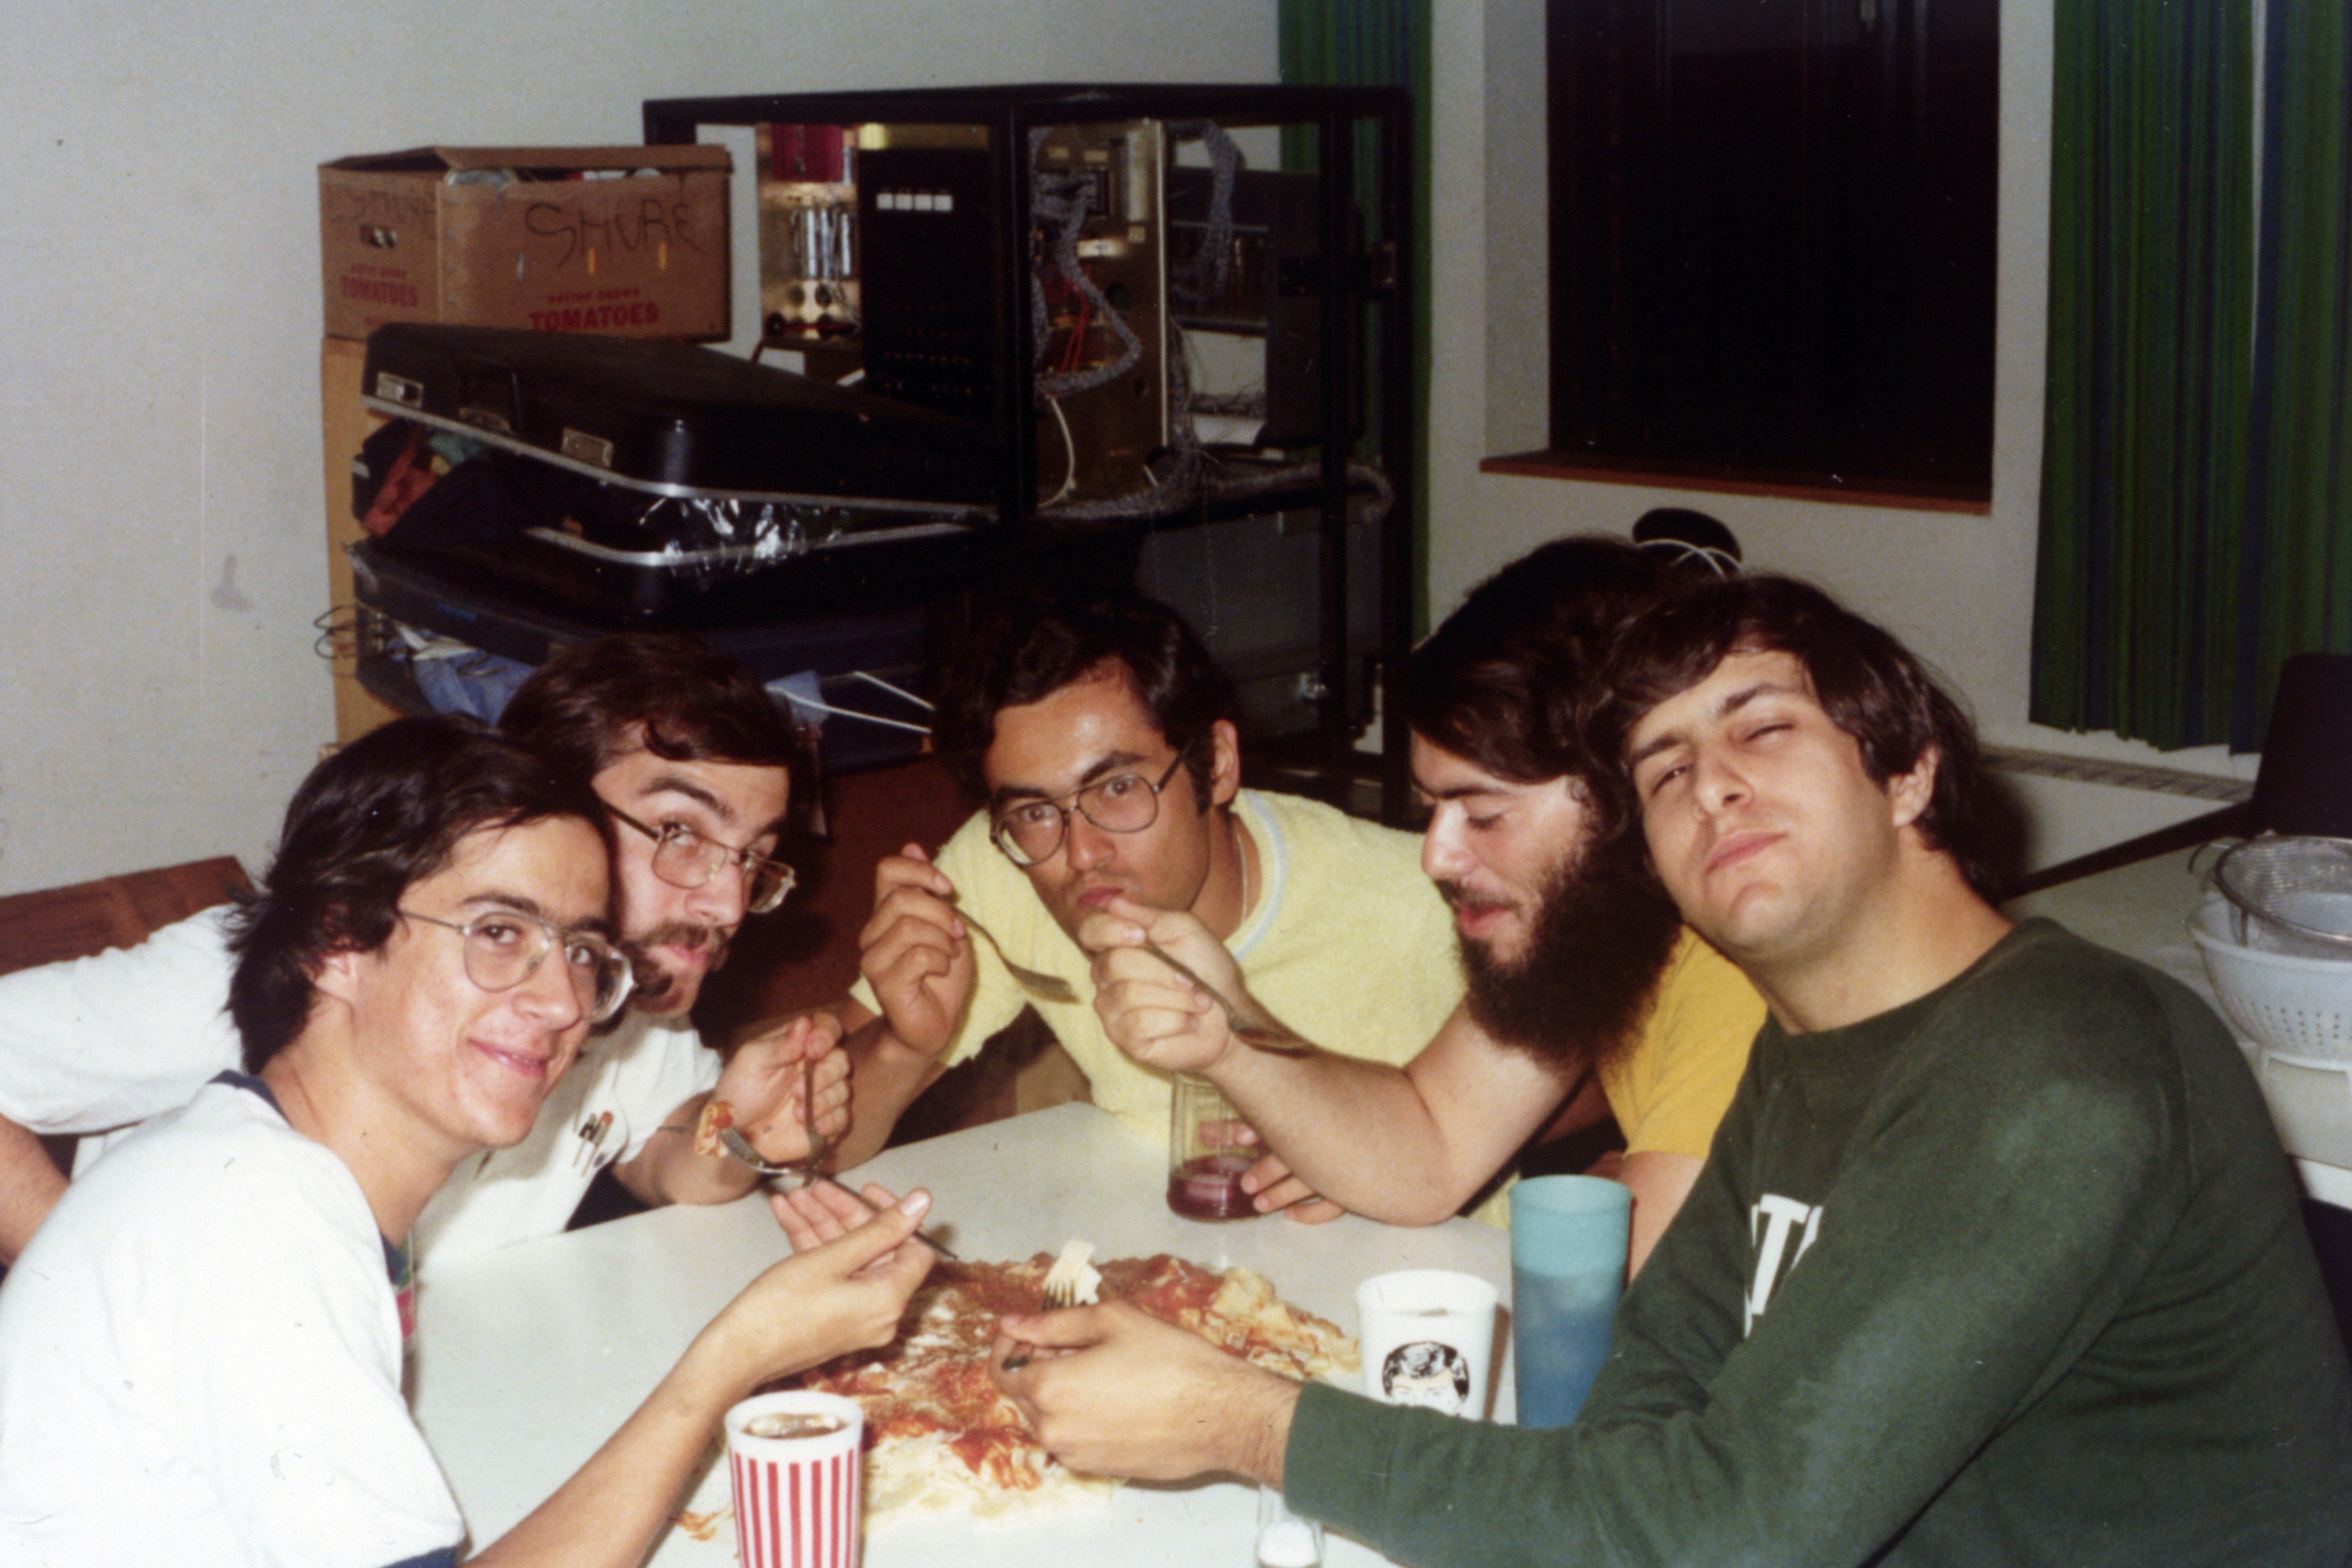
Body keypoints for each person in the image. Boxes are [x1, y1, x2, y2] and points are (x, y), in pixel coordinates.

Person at [963, 573, 2352, 1566]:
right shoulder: (1807, 1047)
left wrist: (1251, 1424)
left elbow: (1731, 1527)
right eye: (1665, 769)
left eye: (1761, 730)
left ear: (1909, 765)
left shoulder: (2058, 1068)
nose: (1713, 788)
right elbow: (1655, 1404)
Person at [0, 716, 935, 1565]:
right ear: (337, 940)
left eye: (581, 951)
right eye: (498, 931)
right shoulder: (254, 1225)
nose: (564, 1001)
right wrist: (727, 1366)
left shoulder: (266, 1166)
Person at [0, 633, 838, 1273]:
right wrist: (100, 1295)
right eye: (680, 833)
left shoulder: (622, 997)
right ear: (546, 802)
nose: (728, 903)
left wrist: (740, 1135)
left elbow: (663, 1155)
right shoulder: (303, 969)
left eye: (754, 857)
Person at [1078, 536, 1765, 1268]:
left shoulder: (1736, 972)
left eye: (1484, 814)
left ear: (1630, 790)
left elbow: (1641, 1323)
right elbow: (1432, 1143)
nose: (1436, 857)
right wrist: (1224, 1035)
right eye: (1433, 808)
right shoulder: (1601, 924)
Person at [826, 587, 1461, 1218]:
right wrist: (898, 1049)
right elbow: (808, 1142)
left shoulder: (1419, 894)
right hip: (1166, 1259)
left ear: (1216, 765)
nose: (1080, 853)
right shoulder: (1005, 865)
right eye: (1035, 809)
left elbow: (1557, 1070)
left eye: (1119, 787)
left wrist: (1364, 1153)